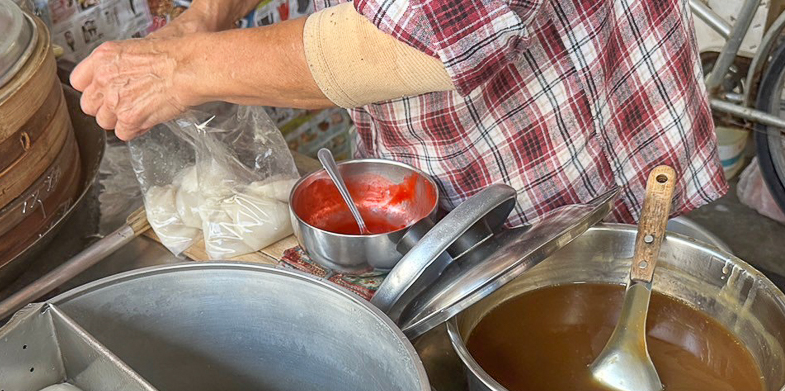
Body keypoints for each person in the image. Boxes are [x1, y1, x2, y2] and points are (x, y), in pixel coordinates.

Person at [70, 0, 726, 226]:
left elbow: (421, 37)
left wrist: (187, 69)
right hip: (452, 149)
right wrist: (204, 21)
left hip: (563, 137)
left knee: (573, 328)